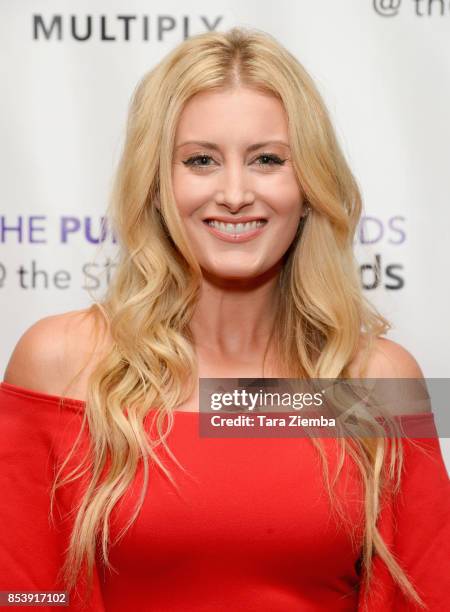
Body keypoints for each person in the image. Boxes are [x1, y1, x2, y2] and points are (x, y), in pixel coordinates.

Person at [0, 26, 449, 612]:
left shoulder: (376, 379)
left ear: (309, 186)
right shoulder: (62, 361)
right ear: (158, 185)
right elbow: (25, 594)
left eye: (267, 159)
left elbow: (428, 596)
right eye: (200, 160)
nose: (235, 193)